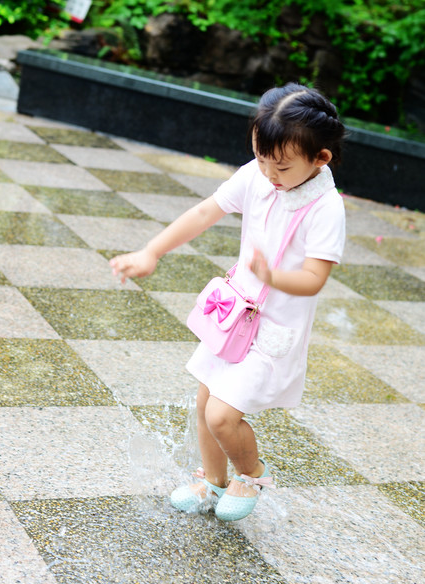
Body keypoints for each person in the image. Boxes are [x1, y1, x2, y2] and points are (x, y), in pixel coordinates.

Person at [110, 82, 346, 522]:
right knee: (204, 403)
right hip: (234, 315)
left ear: (320, 159)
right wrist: (151, 251)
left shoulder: (326, 209)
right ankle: (211, 481)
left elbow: (314, 278)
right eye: (260, 157)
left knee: (222, 414)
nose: (269, 174)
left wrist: (271, 277)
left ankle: (251, 472)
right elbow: (205, 211)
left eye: (281, 166)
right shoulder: (255, 176)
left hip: (274, 327)